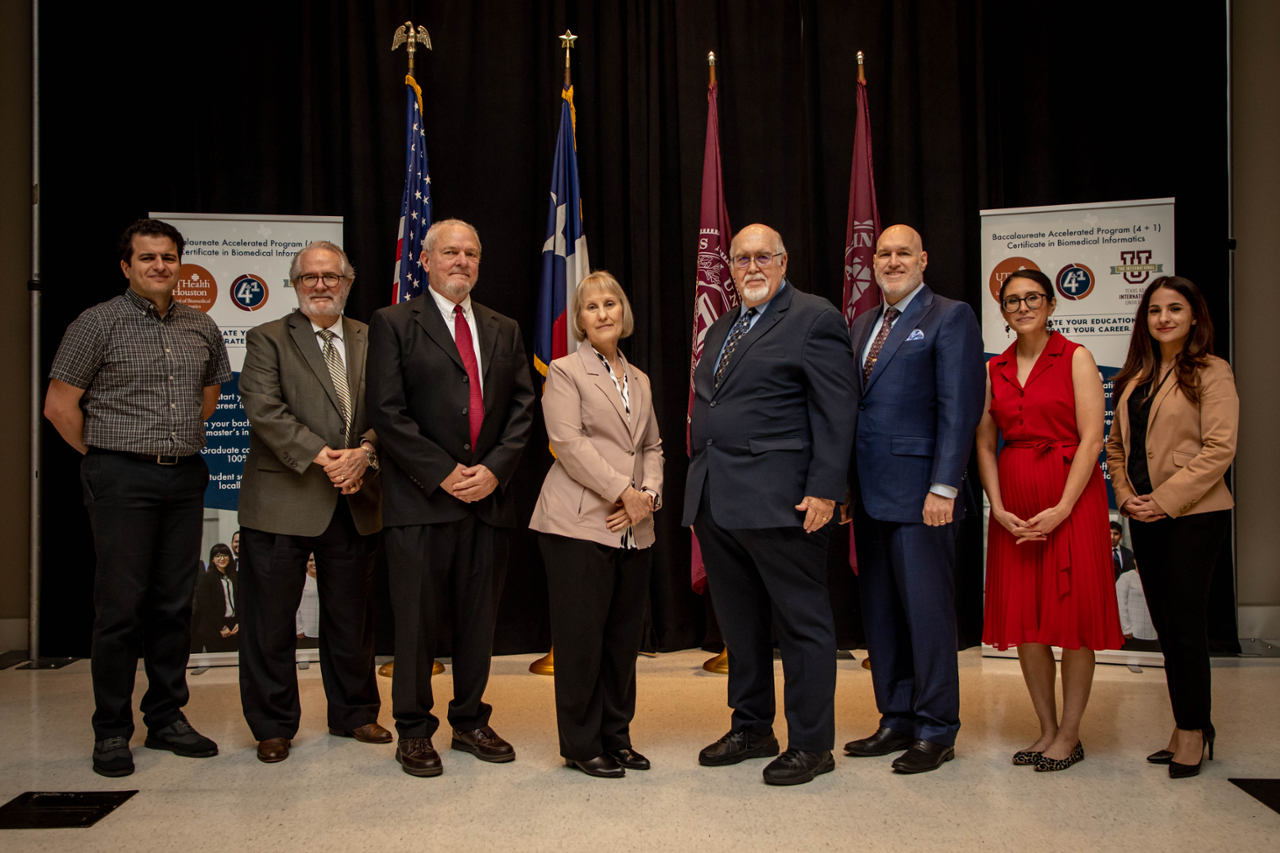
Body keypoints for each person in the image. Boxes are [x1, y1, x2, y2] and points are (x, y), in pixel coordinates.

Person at [44, 218, 231, 777]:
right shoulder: (95, 323)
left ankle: (167, 717)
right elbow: (59, 406)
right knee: (120, 609)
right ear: (126, 266)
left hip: (182, 477)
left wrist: (166, 449)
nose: (159, 267)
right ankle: (111, 731)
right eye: (147, 258)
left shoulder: (201, 324)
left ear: (180, 264)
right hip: (120, 477)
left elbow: (210, 394)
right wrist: (106, 456)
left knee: (174, 604)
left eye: (168, 258)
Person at [683, 223, 857, 787]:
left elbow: (837, 411)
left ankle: (812, 744)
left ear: (783, 262)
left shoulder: (815, 317)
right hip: (718, 499)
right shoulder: (724, 327)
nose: (751, 267)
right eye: (741, 259)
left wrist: (827, 488)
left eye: (763, 257)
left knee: (803, 625)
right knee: (740, 627)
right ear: (729, 268)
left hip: (785, 502)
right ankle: (753, 726)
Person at [367, 219, 536, 778]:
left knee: (477, 621)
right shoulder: (393, 322)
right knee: (415, 624)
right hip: (420, 500)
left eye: (470, 253)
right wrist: (443, 473)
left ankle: (469, 720)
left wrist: (493, 471)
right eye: (450, 252)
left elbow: (521, 409)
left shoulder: (504, 327)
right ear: (426, 259)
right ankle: (414, 730)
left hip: (486, 501)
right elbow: (387, 413)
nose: (461, 261)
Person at [236, 241, 388, 764]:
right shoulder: (266, 338)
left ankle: (355, 713)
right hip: (283, 497)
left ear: (348, 283)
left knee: (352, 618)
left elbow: (394, 409)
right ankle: (273, 724)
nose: (321, 285)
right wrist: (328, 457)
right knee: (270, 622)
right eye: (310, 278)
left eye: (331, 277)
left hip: (354, 499)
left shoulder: (375, 338)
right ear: (295, 284)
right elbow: (264, 409)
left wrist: (365, 453)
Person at [846, 224, 985, 774]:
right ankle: (896, 716)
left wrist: (944, 486)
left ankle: (936, 728)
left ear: (923, 259)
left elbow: (961, 406)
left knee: (927, 617)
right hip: (871, 495)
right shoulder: (862, 325)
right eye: (883, 253)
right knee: (881, 616)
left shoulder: (950, 317)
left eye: (904, 252)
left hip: (924, 496)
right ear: (873, 262)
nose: (893, 260)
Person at [975, 269, 1123, 772]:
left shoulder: (1076, 357)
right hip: (1014, 504)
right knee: (1028, 624)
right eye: (1012, 301)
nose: (1022, 307)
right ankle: (1045, 729)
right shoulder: (994, 368)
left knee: (1073, 621)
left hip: (1071, 502)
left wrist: (1062, 507)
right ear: (1002, 311)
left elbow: (1091, 439)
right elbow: (983, 442)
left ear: (1051, 303)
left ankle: (1071, 733)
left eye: (1032, 298)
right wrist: (997, 504)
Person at [529, 271, 664, 778]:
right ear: (580, 321)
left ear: (623, 313)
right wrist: (624, 493)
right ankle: (582, 744)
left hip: (635, 525)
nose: (603, 313)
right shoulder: (564, 371)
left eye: (611, 303)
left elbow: (652, 447)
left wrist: (648, 495)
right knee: (582, 639)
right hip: (576, 523)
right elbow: (567, 443)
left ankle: (617, 736)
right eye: (592, 307)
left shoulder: (641, 379)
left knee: (622, 640)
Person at [1105, 275, 1237, 779]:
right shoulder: (1135, 376)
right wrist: (1126, 497)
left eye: (1175, 309)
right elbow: (1116, 447)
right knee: (1166, 628)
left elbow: (1219, 449)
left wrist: (1162, 500)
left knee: (1185, 629)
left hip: (1193, 517)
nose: (1164, 318)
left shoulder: (1212, 371)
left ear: (1194, 317)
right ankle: (1190, 723)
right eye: (1155, 310)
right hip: (1144, 514)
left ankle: (1192, 732)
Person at [193, 544, 239, 652]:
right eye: (218, 556)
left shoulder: (236, 576)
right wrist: (221, 627)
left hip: (233, 626)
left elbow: (242, 601)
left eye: (225, 555)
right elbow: (206, 606)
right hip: (213, 628)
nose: (222, 559)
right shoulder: (206, 578)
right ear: (212, 559)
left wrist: (239, 622)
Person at [296, 554, 320, 640]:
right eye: (311, 560)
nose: (314, 563)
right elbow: (295, 605)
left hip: (325, 630)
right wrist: (298, 628)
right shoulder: (301, 580)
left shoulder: (328, 581)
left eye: (315, 559)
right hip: (305, 632)